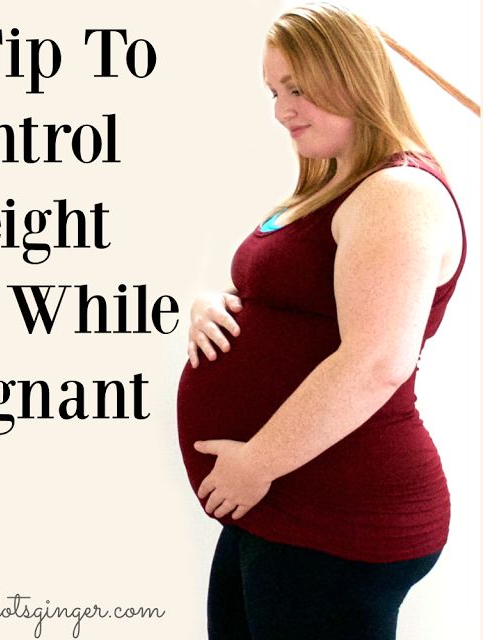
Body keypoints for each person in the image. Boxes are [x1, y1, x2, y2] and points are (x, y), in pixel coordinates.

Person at [175, 3, 467, 639]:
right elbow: (289, 299)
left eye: (299, 88)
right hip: (282, 499)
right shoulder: (338, 184)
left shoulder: (399, 193)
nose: (282, 109)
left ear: (353, 75)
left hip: (340, 509)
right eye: (274, 91)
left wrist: (257, 463)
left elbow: (376, 361)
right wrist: (212, 304)